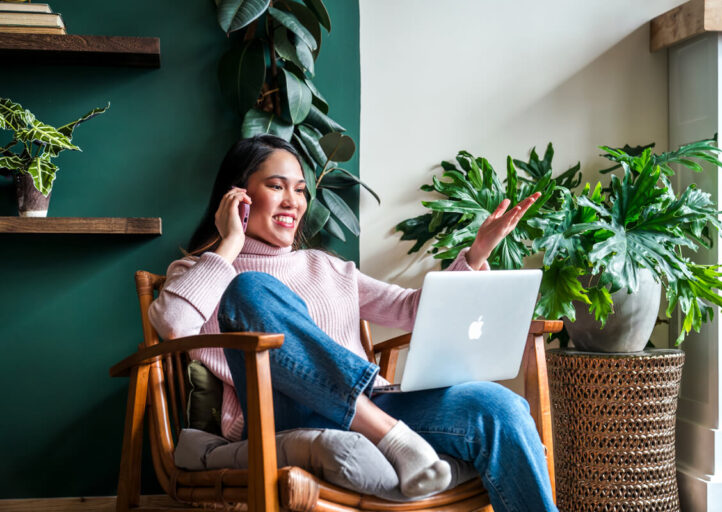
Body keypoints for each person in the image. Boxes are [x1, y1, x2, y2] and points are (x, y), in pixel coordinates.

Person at [148, 135, 556, 511]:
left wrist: (477, 253)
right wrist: (229, 245)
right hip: (283, 414)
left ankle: (388, 433)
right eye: (276, 186)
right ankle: (393, 439)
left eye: (300, 189)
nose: (293, 200)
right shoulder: (205, 271)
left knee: (500, 407)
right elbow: (173, 325)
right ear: (237, 196)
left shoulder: (327, 266)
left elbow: (413, 310)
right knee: (252, 287)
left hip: (378, 403)